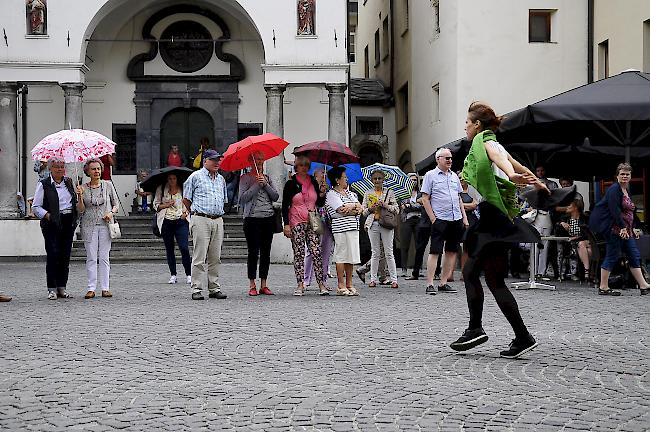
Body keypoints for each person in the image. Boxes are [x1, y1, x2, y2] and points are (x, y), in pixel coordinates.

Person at [450, 101, 546, 358]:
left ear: (478, 125)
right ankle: (522, 336)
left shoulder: (486, 142)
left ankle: (475, 329)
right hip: (496, 218)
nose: (465, 127)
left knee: (470, 273)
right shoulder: (492, 142)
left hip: (493, 219)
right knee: (494, 280)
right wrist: (535, 181)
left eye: (468, 123)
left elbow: (502, 159)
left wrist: (512, 176)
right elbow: (515, 163)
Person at [590, 163, 650, 296]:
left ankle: (643, 285)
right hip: (615, 230)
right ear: (617, 176)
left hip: (626, 230)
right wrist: (623, 227)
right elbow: (614, 210)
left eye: (627, 174)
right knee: (612, 255)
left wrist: (633, 227)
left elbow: (629, 212)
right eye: (622, 174)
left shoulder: (626, 190)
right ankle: (603, 287)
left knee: (634, 255)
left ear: (630, 176)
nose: (625, 176)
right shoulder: (614, 189)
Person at [421, 148, 469, 294]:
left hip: (456, 218)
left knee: (451, 251)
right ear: (438, 159)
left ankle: (443, 282)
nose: (449, 160)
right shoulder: (430, 175)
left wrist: (464, 218)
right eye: (446, 158)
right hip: (440, 219)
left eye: (451, 158)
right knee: (435, 251)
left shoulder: (454, 176)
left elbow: (459, 198)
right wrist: (433, 218)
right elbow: (425, 198)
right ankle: (430, 284)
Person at [183, 149, 229, 300]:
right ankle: (196, 288)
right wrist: (195, 215)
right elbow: (186, 199)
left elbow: (224, 200)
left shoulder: (221, 179)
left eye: (218, 160)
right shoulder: (195, 177)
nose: (217, 163)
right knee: (199, 256)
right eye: (213, 160)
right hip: (201, 218)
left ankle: (214, 287)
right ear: (205, 161)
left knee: (215, 256)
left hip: (217, 219)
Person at [282, 155, 329, 296]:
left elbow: (319, 203)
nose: (304, 167)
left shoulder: (313, 181)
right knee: (299, 253)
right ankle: (300, 284)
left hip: (312, 220)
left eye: (306, 165)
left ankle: (321, 283)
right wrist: (286, 224)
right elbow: (285, 205)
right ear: (296, 166)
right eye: (301, 165)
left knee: (316, 252)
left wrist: (322, 193)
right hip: (296, 220)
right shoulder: (291, 184)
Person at [32, 156, 78, 300]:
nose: (60, 169)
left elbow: (73, 201)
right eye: (57, 166)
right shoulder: (44, 184)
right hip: (51, 222)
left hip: (68, 220)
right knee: (53, 254)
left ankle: (62, 287)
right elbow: (36, 207)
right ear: (50, 168)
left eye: (62, 166)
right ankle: (51, 288)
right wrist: (48, 216)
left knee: (65, 255)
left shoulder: (69, 182)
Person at [76, 158, 119, 299]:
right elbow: (81, 210)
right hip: (89, 226)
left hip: (106, 225)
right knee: (91, 257)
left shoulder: (107, 185)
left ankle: (105, 288)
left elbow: (116, 205)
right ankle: (91, 288)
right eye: (93, 169)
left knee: (104, 257)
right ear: (87, 171)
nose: (96, 171)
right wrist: (80, 197)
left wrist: (110, 213)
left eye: (98, 169)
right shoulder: (82, 187)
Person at [239, 156, 279, 296]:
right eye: (256, 160)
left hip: (268, 218)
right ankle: (252, 283)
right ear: (250, 162)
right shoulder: (245, 178)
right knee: (253, 252)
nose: (260, 162)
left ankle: (264, 283)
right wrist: (256, 184)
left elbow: (275, 196)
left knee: (266, 253)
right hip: (252, 219)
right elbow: (242, 198)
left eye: (261, 159)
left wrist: (265, 184)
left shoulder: (267, 177)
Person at [326, 166, 363, 296]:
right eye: (344, 177)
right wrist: (352, 208)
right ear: (337, 180)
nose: (347, 179)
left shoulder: (350, 193)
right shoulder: (331, 194)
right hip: (340, 229)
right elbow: (340, 210)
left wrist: (351, 206)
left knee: (351, 256)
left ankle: (349, 283)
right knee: (341, 255)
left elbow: (360, 208)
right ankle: (341, 285)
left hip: (353, 228)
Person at [362, 170, 399, 289]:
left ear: (383, 180)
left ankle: (394, 279)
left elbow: (396, 209)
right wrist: (370, 209)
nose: (377, 181)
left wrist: (385, 205)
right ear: (372, 180)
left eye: (379, 178)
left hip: (386, 224)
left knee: (389, 252)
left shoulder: (389, 192)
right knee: (375, 252)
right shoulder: (368, 193)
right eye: (375, 179)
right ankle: (373, 279)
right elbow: (363, 212)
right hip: (373, 224)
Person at [154, 173, 192, 285]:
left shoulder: (183, 188)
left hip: (181, 221)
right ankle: (173, 274)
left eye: (174, 178)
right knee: (169, 248)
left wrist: (186, 213)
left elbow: (189, 203)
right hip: (166, 221)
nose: (172, 181)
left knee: (184, 247)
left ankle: (189, 274)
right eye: (170, 178)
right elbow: (155, 205)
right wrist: (165, 205)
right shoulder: (161, 189)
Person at [305, 167, 334, 287]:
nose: (324, 175)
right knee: (312, 250)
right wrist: (320, 193)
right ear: (315, 176)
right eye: (322, 173)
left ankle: (323, 279)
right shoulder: (310, 188)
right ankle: (306, 279)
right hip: (315, 219)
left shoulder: (329, 188)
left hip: (327, 221)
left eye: (325, 173)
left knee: (326, 251)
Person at [556, 199, 591, 282]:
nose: (567, 207)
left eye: (570, 206)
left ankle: (586, 272)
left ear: (575, 208)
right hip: (569, 242)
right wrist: (561, 224)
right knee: (588, 251)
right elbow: (558, 231)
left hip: (582, 241)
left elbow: (589, 232)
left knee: (584, 245)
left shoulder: (585, 218)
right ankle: (588, 272)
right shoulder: (564, 218)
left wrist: (577, 237)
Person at [399, 174, 422, 278]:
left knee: (419, 245)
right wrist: (414, 205)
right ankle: (404, 269)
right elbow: (404, 207)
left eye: (415, 180)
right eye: (411, 180)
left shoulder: (421, 193)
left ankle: (418, 268)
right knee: (405, 245)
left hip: (419, 220)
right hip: (407, 220)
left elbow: (422, 206)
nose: (413, 182)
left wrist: (410, 206)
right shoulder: (403, 194)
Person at [459, 174, 480, 278]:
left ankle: (467, 272)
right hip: (459, 220)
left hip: (472, 221)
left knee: (469, 247)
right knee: (455, 247)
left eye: (464, 178)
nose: (462, 180)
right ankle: (457, 273)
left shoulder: (472, 191)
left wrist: (462, 205)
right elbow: (455, 204)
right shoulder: (456, 191)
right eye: (460, 178)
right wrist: (467, 206)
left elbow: (475, 204)